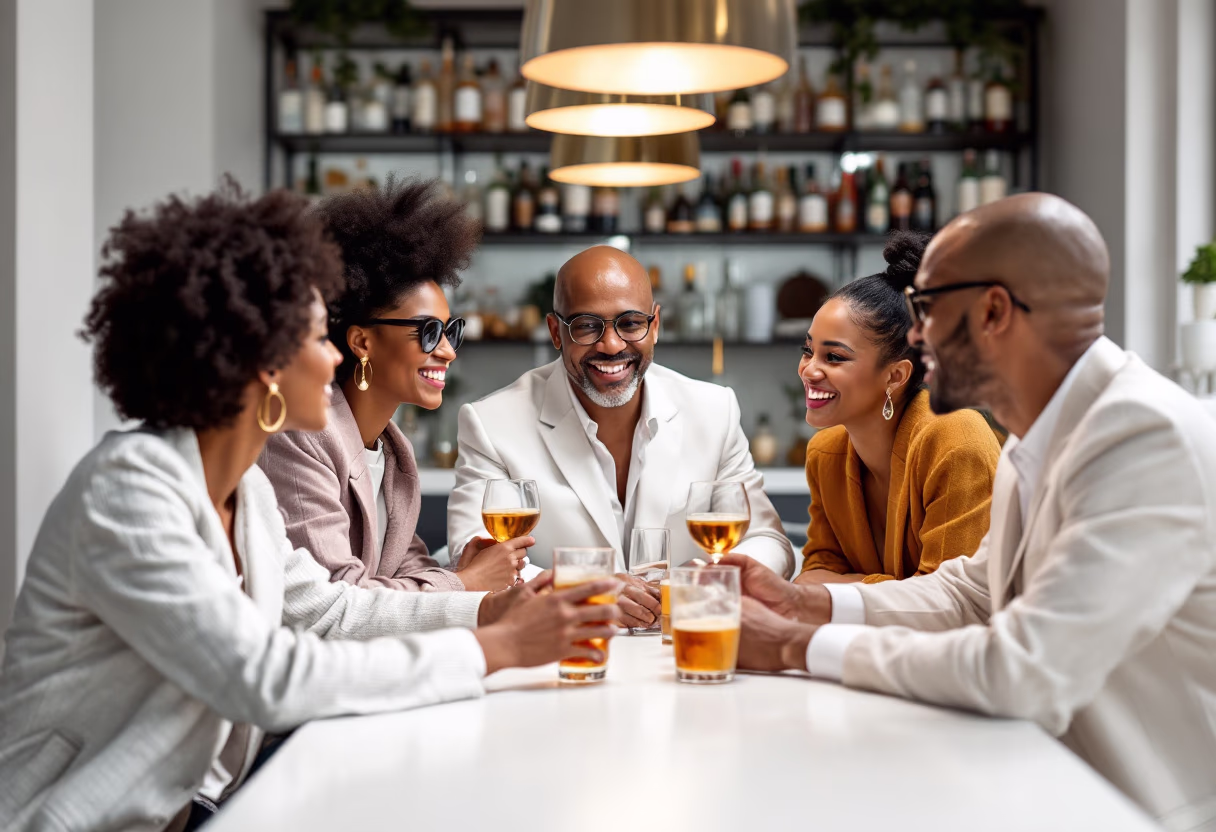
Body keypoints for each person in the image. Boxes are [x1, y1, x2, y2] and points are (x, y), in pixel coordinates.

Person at [0, 184, 618, 832]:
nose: (334, 356)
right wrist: (496, 648)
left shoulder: (248, 494)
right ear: (261, 357)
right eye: (320, 337)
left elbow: (328, 610)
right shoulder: (128, 492)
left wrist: (491, 610)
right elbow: (263, 674)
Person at [725, 192, 1216, 828]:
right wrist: (805, 602)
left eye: (926, 309)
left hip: (1146, 808)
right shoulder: (1036, 436)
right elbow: (971, 593)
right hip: (1049, 784)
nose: (916, 335)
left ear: (992, 311)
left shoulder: (1140, 435)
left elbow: (1021, 669)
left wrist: (798, 646)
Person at [447, 245, 795, 630]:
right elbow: (472, 562)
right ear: (555, 332)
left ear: (656, 325)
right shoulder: (491, 422)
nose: (611, 345)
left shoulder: (714, 410)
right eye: (586, 325)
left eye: (629, 324)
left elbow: (769, 540)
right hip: (561, 655)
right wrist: (586, 588)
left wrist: (709, 579)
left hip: (682, 648)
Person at [259, 179, 525, 593]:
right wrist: (464, 583)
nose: (448, 352)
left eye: (450, 331)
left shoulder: (392, 452)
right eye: (428, 331)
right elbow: (337, 598)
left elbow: (403, 567)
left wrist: (459, 572)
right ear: (362, 341)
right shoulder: (302, 434)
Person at [795, 231, 1000, 585]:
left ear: (895, 376)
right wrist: (896, 591)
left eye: (834, 357)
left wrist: (846, 589)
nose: (809, 369)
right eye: (807, 349)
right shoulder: (824, 453)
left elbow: (950, 606)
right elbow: (814, 574)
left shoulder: (955, 441)